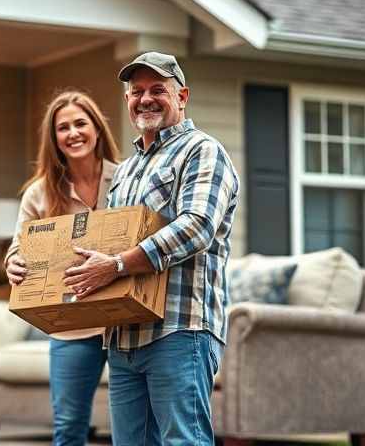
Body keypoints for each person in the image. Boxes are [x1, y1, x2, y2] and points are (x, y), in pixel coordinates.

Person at [62, 52, 240, 445]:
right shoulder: (125, 170)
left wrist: (118, 266)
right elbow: (104, 241)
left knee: (184, 441)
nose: (145, 99)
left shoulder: (202, 151)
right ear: (127, 100)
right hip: (124, 337)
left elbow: (197, 227)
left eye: (158, 89)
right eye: (136, 91)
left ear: (182, 96)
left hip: (179, 330)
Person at [5, 90, 120, 446]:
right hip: (73, 327)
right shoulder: (39, 193)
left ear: (97, 129)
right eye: (63, 127)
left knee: (135, 429)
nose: (73, 133)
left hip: (129, 325)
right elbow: (17, 248)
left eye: (80, 123)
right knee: (69, 428)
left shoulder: (127, 178)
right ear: (53, 139)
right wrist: (14, 263)